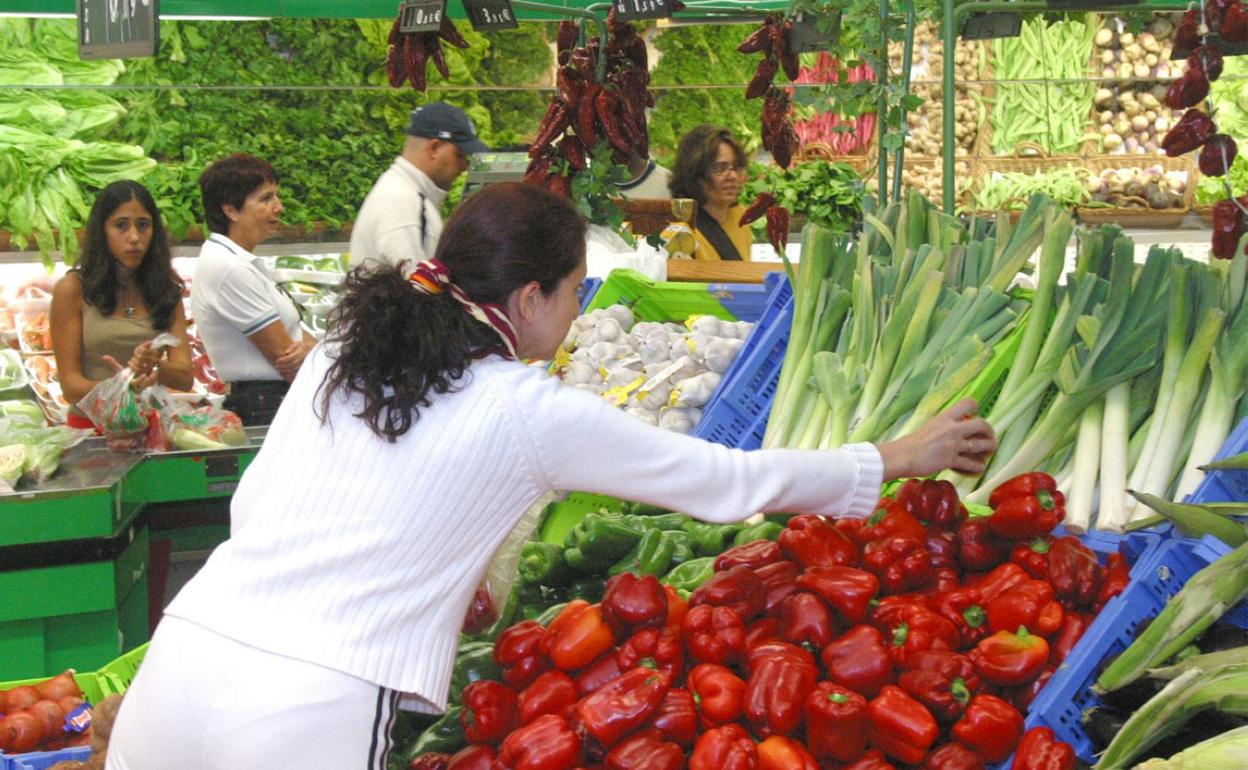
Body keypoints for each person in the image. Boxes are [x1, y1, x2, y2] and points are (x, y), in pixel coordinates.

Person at [105, 183, 995, 770]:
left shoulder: (346, 346)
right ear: (529, 298)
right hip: (308, 707)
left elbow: (276, 500)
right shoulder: (528, 408)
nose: (578, 311)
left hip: (187, 656)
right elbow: (724, 482)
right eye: (575, 291)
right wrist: (894, 458)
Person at [50, 180, 193, 428]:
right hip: (92, 432)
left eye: (143, 225)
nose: (134, 237)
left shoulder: (166, 291)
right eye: (121, 226)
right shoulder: (72, 289)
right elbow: (71, 386)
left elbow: (185, 377)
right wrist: (124, 388)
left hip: (151, 429)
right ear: (102, 231)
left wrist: (155, 364)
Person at [190, 153, 315, 426]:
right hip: (264, 406)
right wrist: (313, 352)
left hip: (275, 402)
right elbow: (287, 358)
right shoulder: (228, 268)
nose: (279, 207)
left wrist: (313, 350)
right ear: (231, 210)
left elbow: (302, 341)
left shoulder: (243, 262)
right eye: (265, 198)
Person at [349, 101, 488, 272]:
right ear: (434, 148)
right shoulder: (402, 205)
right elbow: (411, 292)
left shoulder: (404, 193)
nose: (465, 166)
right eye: (460, 155)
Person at [669, 124, 754, 261]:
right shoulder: (679, 230)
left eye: (736, 167)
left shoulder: (741, 217)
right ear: (695, 172)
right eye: (720, 168)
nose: (732, 176)